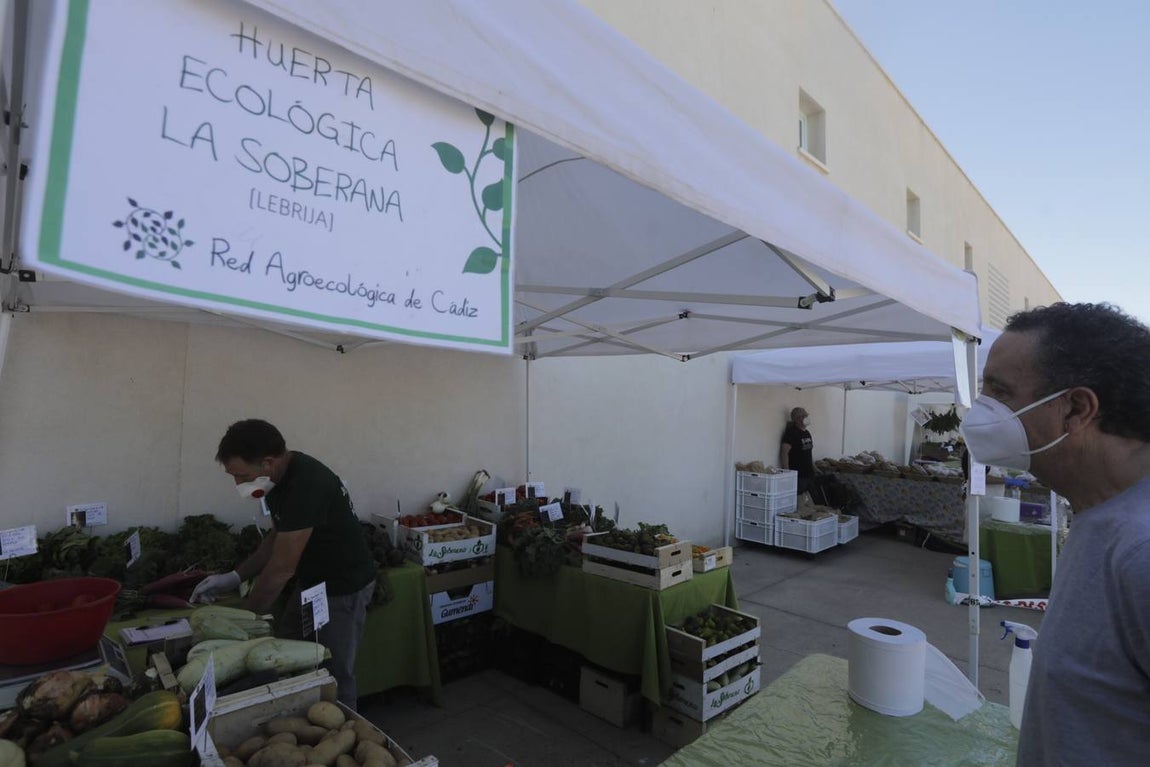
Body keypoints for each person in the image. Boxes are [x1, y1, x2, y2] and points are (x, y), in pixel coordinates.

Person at [959, 303, 1150, 766]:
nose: (979, 410)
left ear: (1077, 408)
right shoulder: (1096, 512)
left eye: (999, 392)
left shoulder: (1141, 549)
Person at [190, 419, 377, 710]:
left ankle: (346, 729)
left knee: (333, 670)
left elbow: (281, 569)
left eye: (240, 475)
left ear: (267, 463)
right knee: (283, 649)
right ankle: (292, 715)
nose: (237, 484)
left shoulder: (306, 485)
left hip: (342, 589)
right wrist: (235, 576)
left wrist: (244, 624)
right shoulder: (279, 477)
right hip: (312, 583)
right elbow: (278, 537)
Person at [780, 407, 815, 494]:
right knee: (798, 501)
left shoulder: (807, 433)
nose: (807, 417)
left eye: (806, 415)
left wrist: (814, 467)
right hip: (798, 476)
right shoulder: (791, 433)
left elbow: (808, 452)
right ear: (797, 418)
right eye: (804, 415)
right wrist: (787, 473)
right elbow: (784, 453)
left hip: (809, 474)